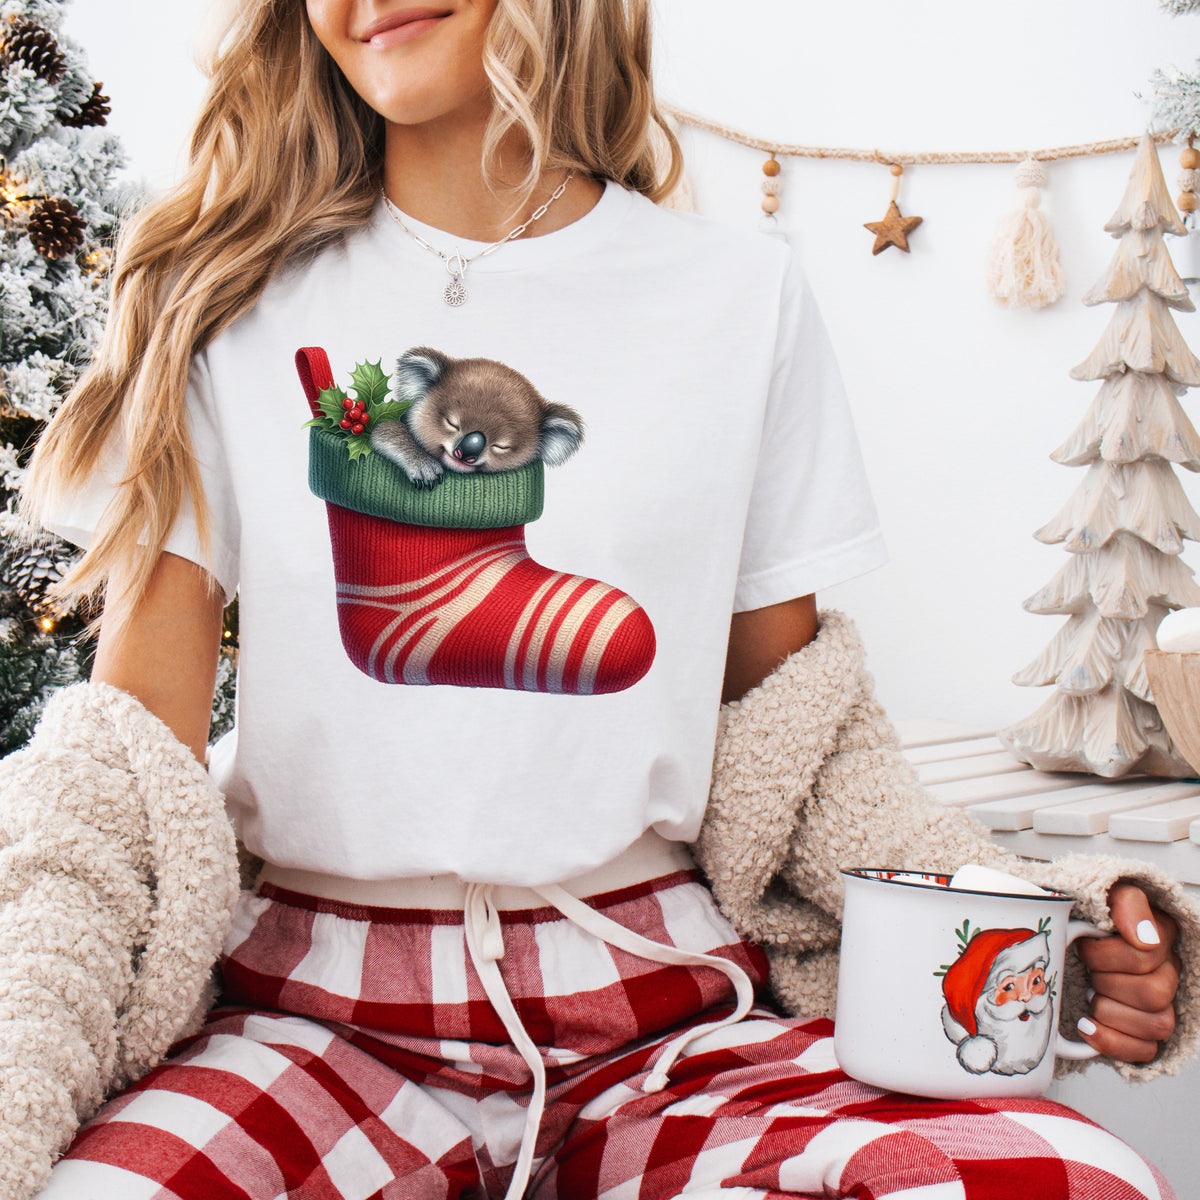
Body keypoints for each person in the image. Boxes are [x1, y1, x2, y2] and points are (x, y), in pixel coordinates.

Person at [14, 1, 1187, 1196]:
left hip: (658, 1009)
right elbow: (124, 774)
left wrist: (1031, 926)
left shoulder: (733, 294)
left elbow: (799, 744)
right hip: (315, 1015)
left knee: (1055, 1181)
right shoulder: (217, 297)